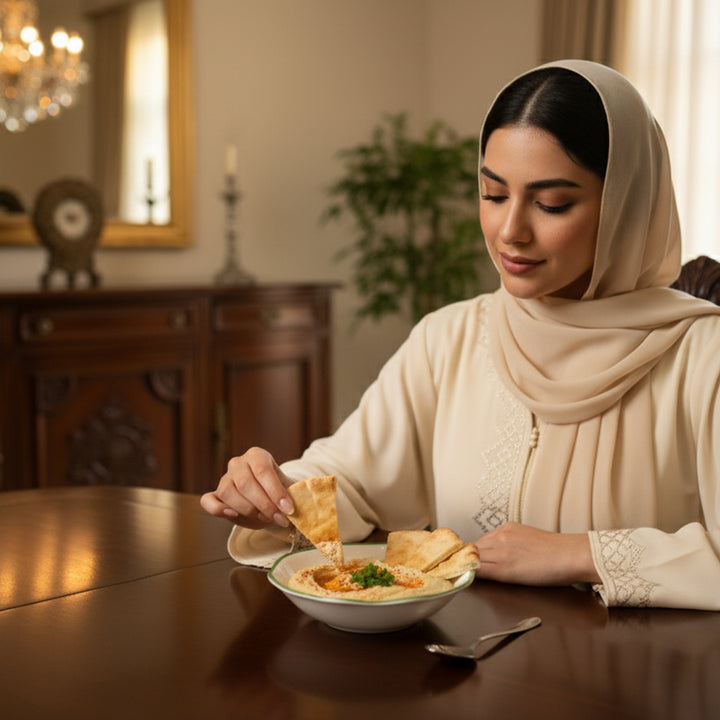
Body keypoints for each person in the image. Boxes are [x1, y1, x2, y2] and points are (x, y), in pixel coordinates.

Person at [201, 59, 720, 610]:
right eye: (494, 195)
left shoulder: (702, 357)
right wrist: (275, 494)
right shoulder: (448, 339)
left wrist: (581, 554)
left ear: (626, 205)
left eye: (552, 204)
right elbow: (353, 481)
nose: (510, 231)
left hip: (642, 684)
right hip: (468, 672)